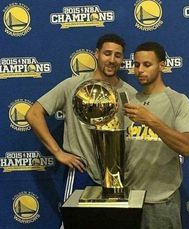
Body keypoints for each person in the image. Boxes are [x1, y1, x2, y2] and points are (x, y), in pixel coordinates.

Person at [25, 33, 136, 202]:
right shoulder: (73, 85)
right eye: (107, 53)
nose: (112, 60)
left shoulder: (128, 93)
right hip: (82, 172)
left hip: (117, 176)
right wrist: (58, 152)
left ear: (122, 60)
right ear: (96, 54)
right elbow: (33, 114)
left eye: (117, 55)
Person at [124, 42, 189, 229]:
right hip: (129, 199)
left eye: (147, 65)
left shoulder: (178, 101)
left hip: (161, 201)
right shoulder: (129, 102)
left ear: (162, 65)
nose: (140, 70)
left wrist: (151, 120)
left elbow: (187, 147)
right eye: (137, 65)